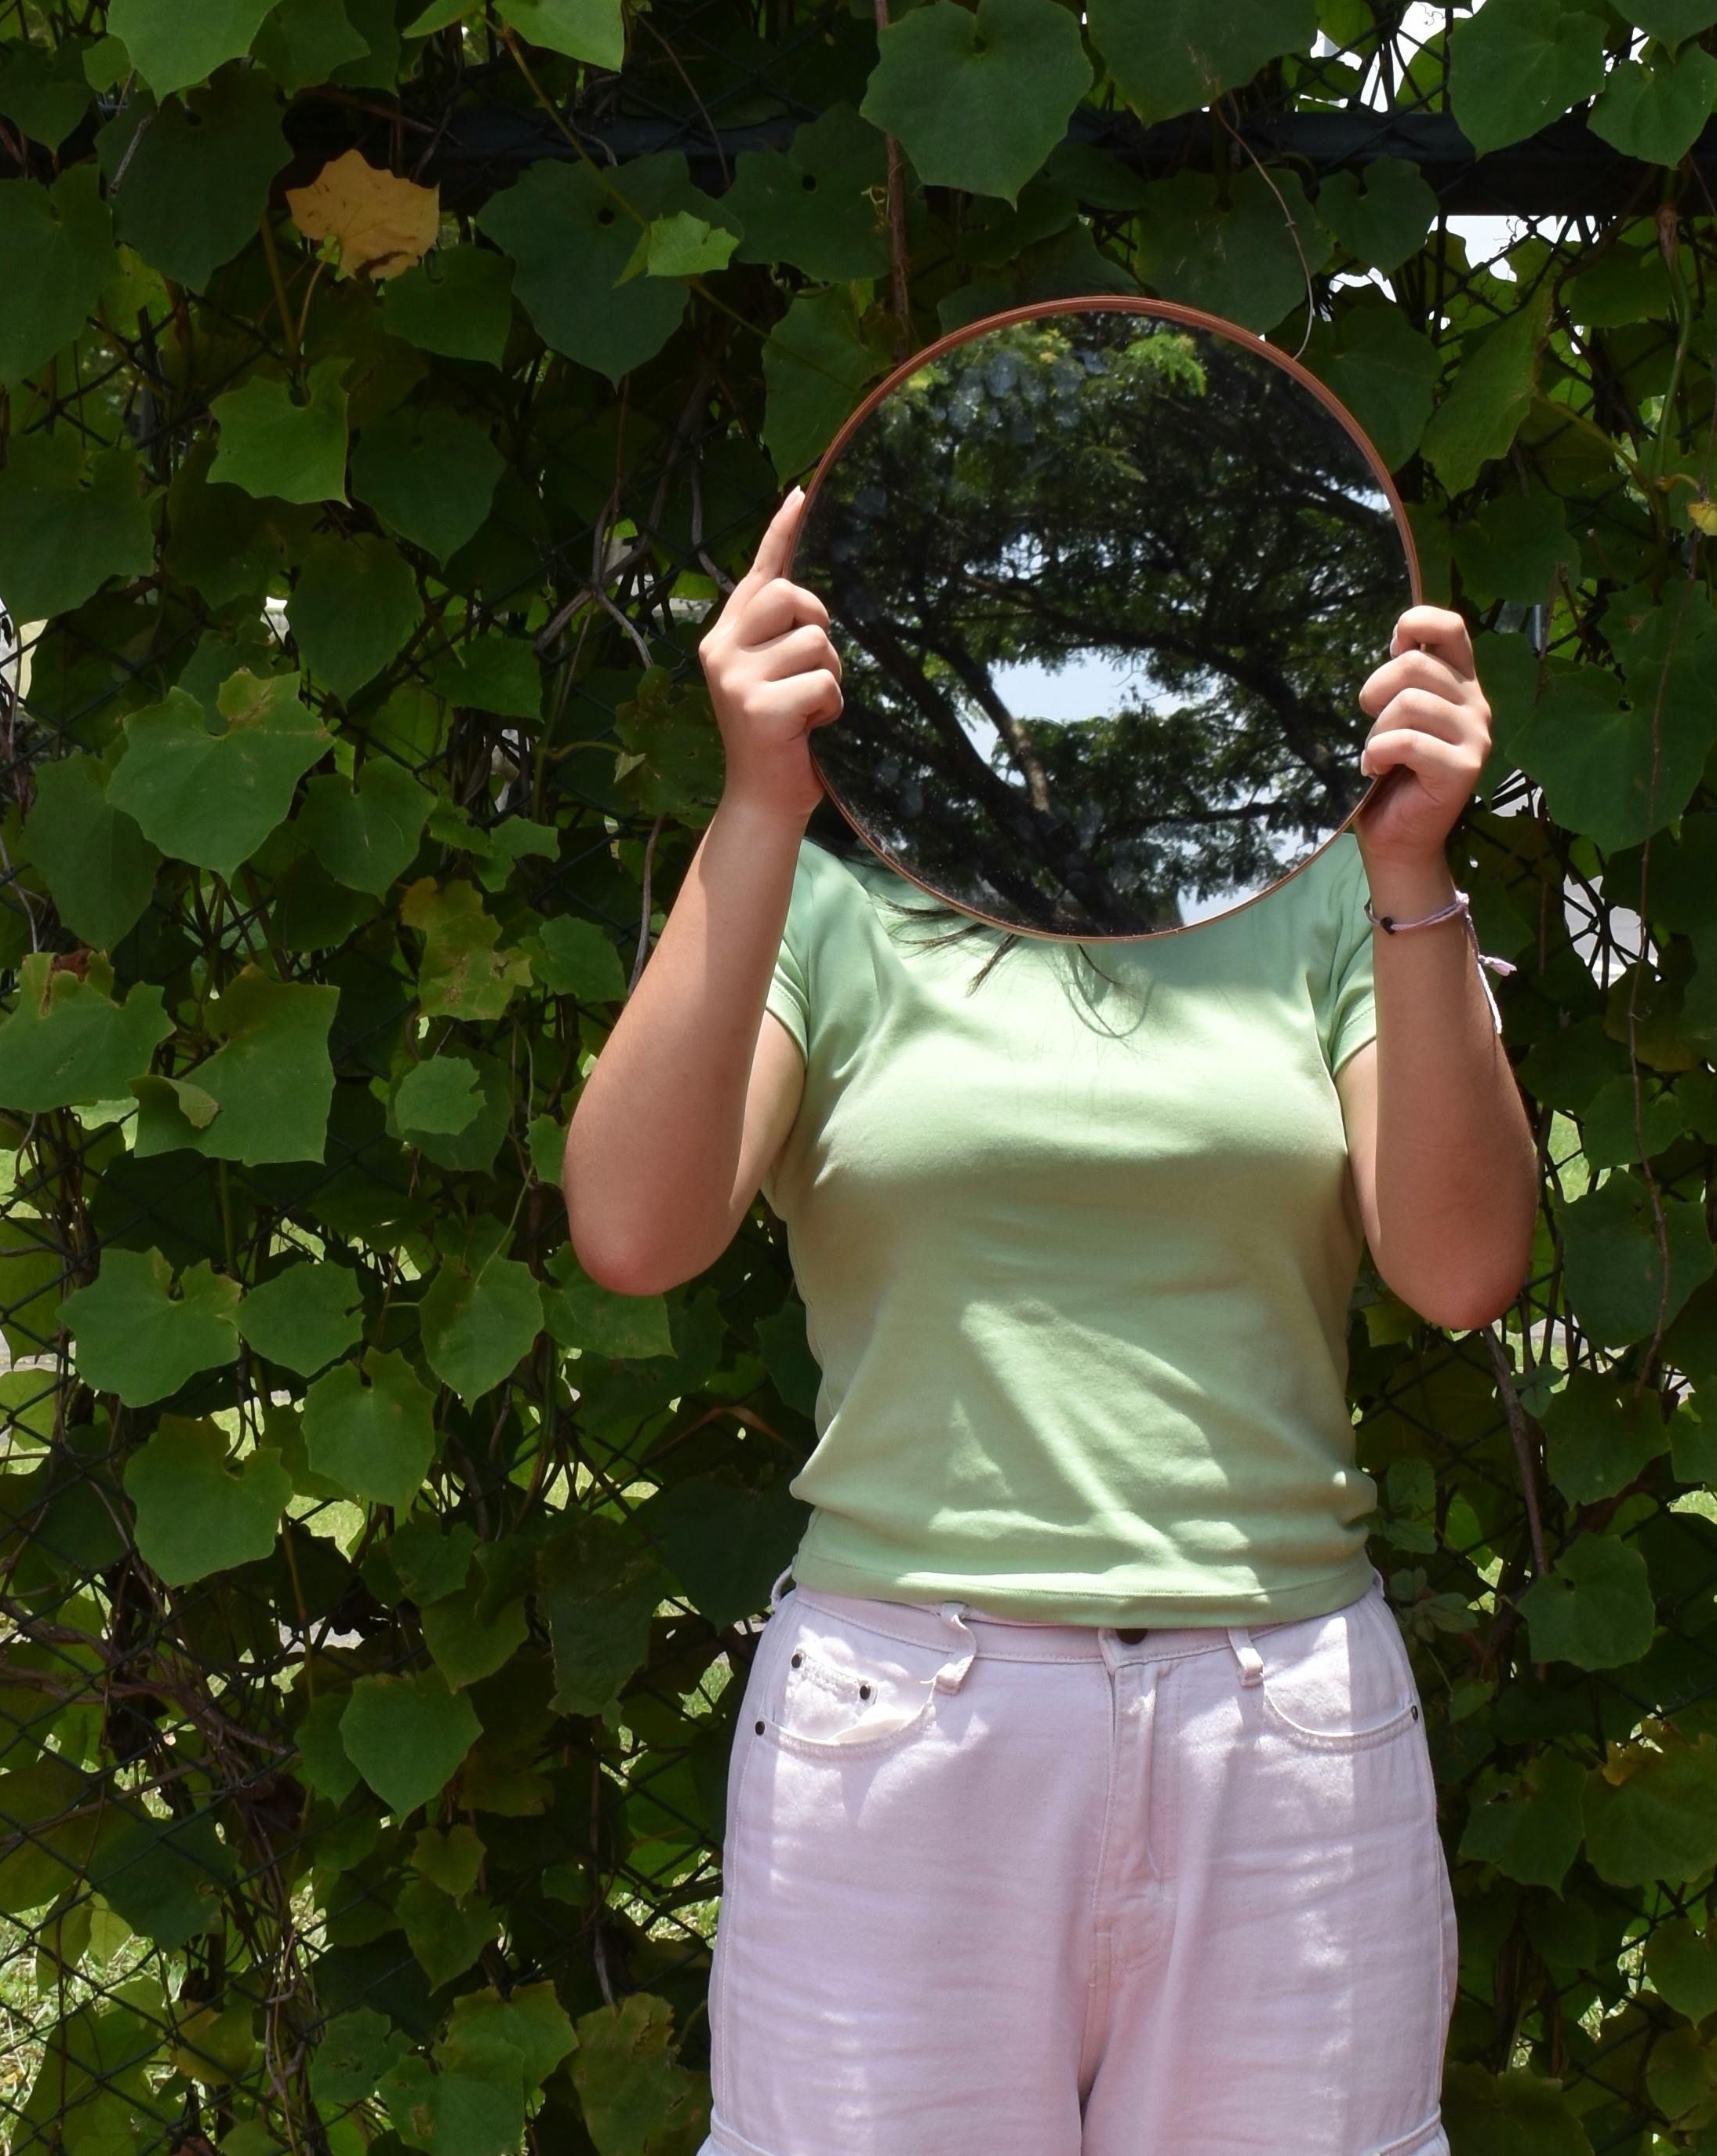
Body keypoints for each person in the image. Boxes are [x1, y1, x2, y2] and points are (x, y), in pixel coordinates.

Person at [564, 483, 1539, 2156]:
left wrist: (1410, 871)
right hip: (900, 1727)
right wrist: (753, 811)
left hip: (1282, 1715)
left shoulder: (1320, 901)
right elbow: (637, 1232)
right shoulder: (831, 908)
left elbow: (1458, 1269)